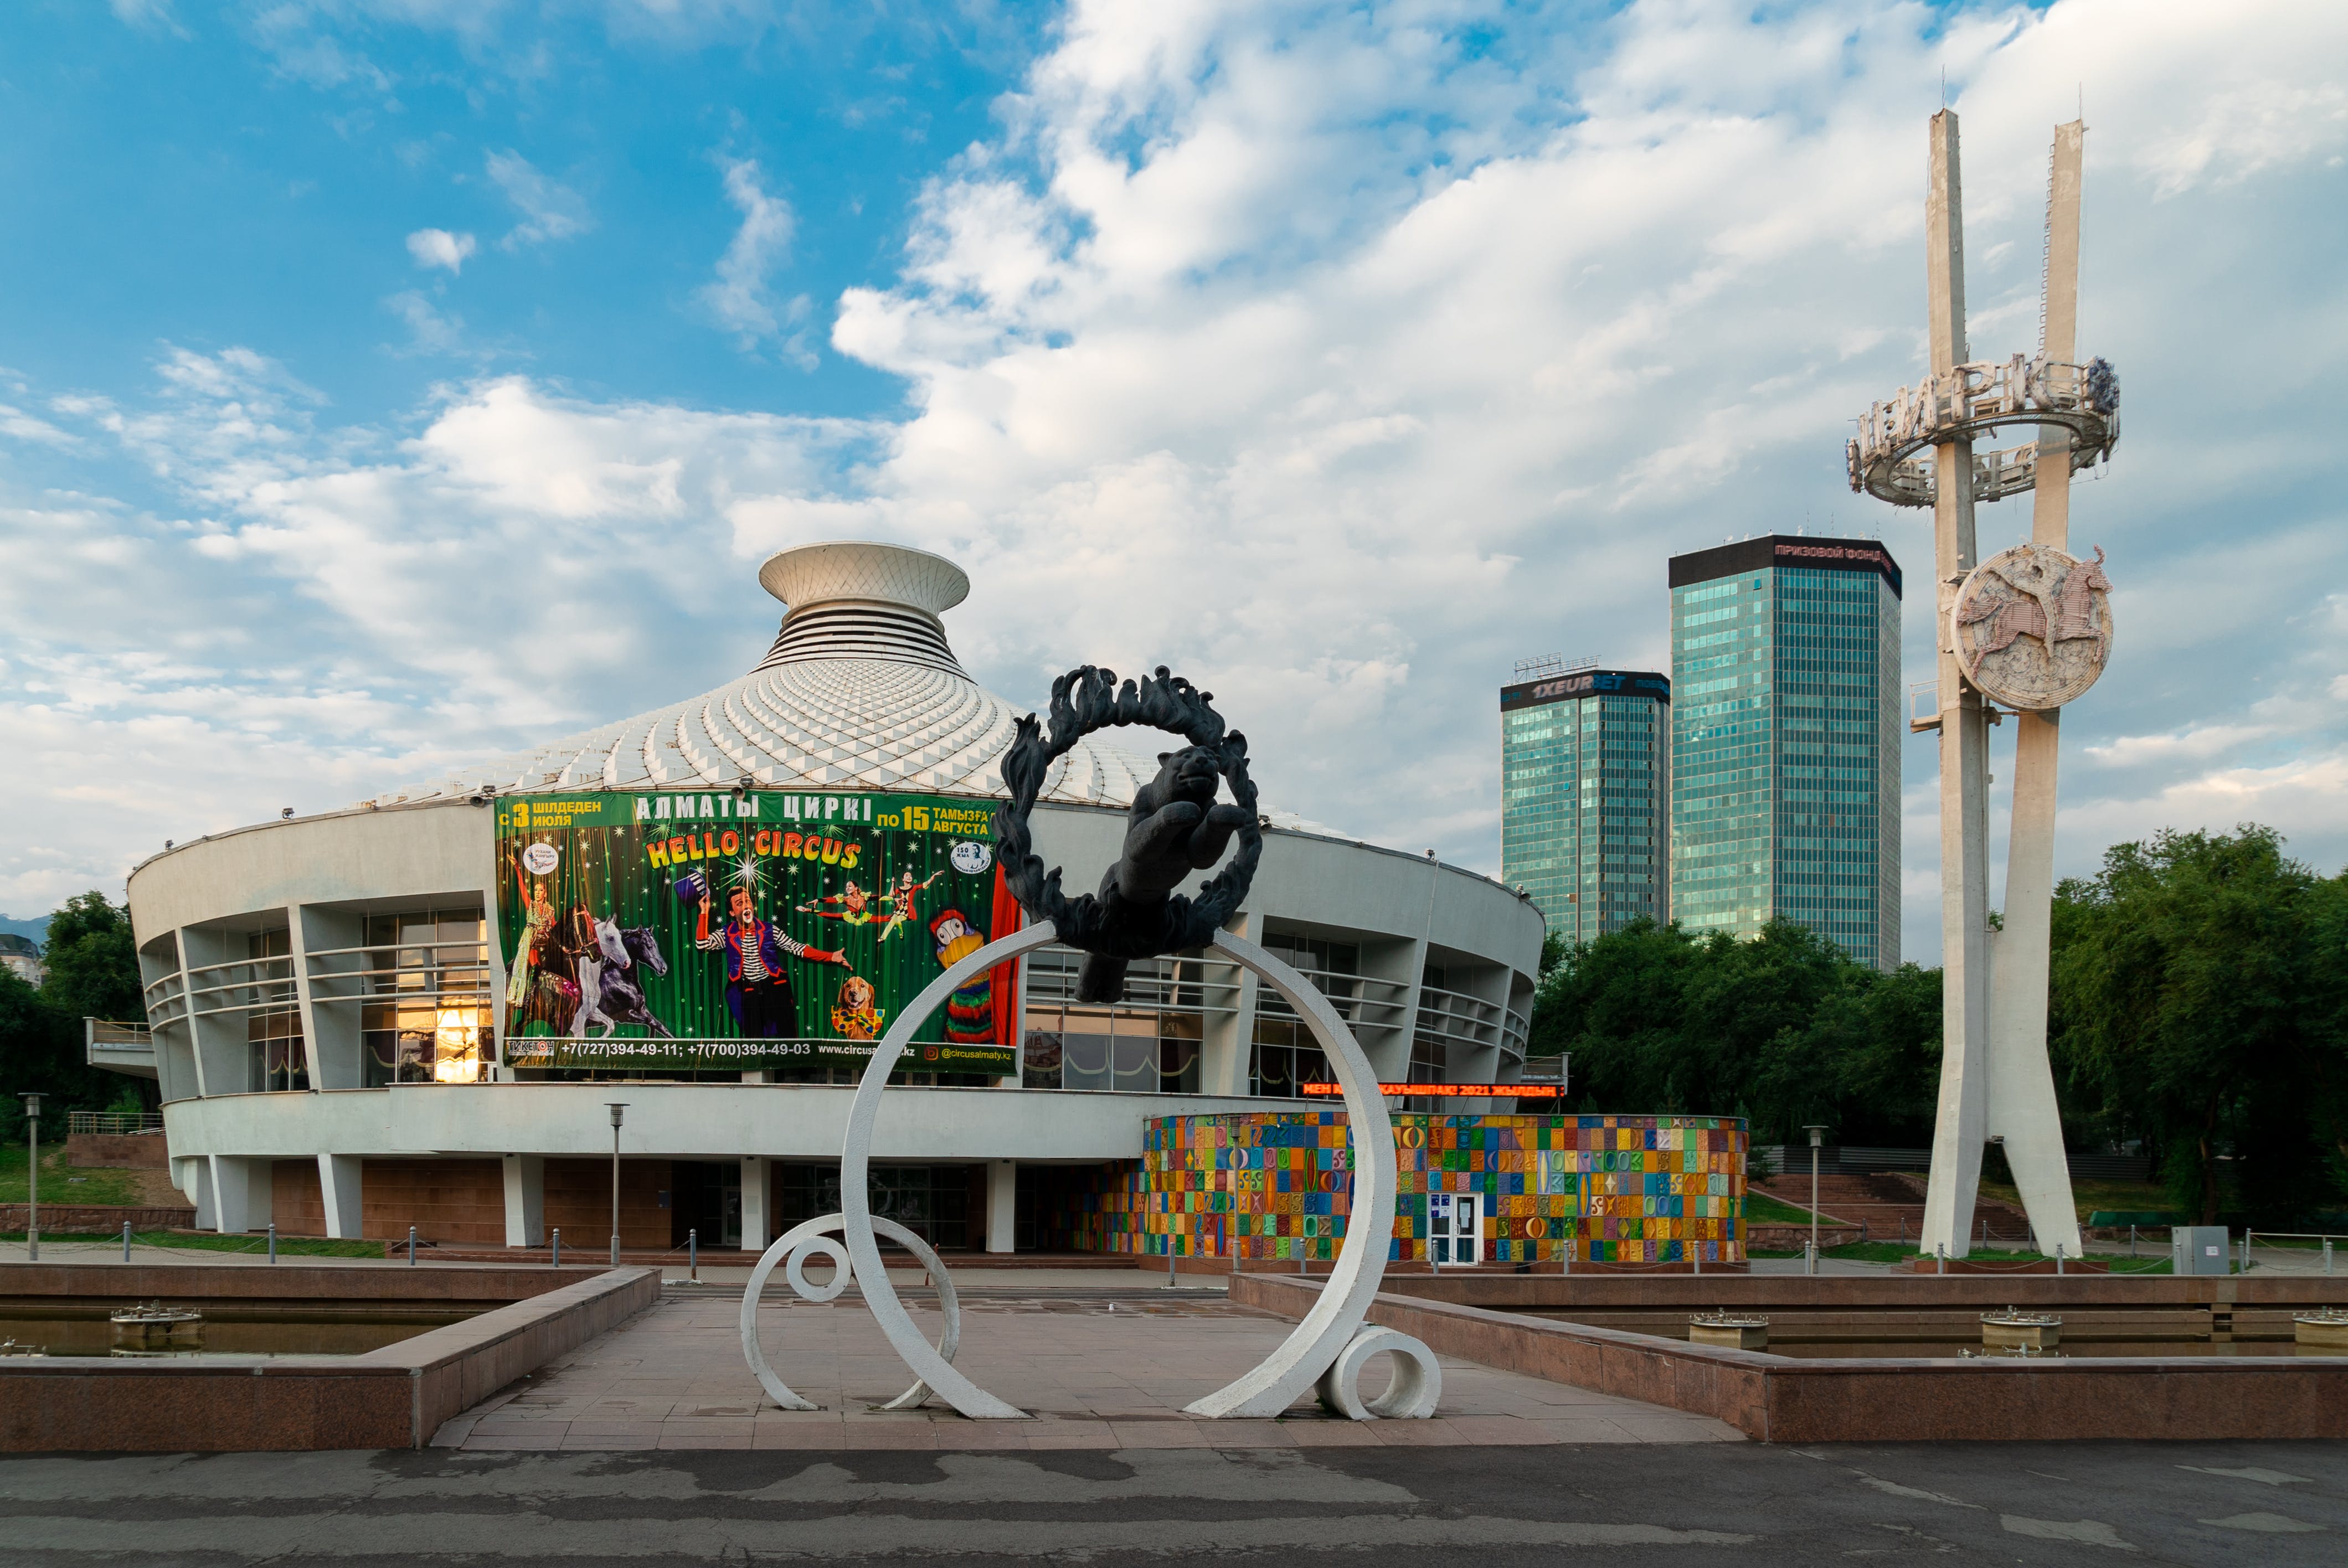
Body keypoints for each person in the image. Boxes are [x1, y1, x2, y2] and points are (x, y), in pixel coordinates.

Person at [697, 884, 848, 1038]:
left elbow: (796, 947)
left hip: (774, 986)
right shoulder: (727, 933)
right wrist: (704, 911)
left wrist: (831, 956)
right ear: (732, 912)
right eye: (740, 904)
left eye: (748, 901)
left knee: (787, 1030)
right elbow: (702, 944)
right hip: (748, 990)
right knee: (754, 1035)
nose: (746, 906)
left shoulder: (769, 929)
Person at [876, 868, 946, 943]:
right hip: (900, 910)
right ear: (903, 879)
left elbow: (927, 883)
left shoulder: (914, 888)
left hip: (908, 911)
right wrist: (893, 883)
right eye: (907, 876)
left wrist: (934, 876)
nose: (909, 877)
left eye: (910, 876)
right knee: (893, 921)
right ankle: (883, 938)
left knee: (897, 921)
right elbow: (890, 895)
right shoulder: (899, 889)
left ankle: (901, 933)